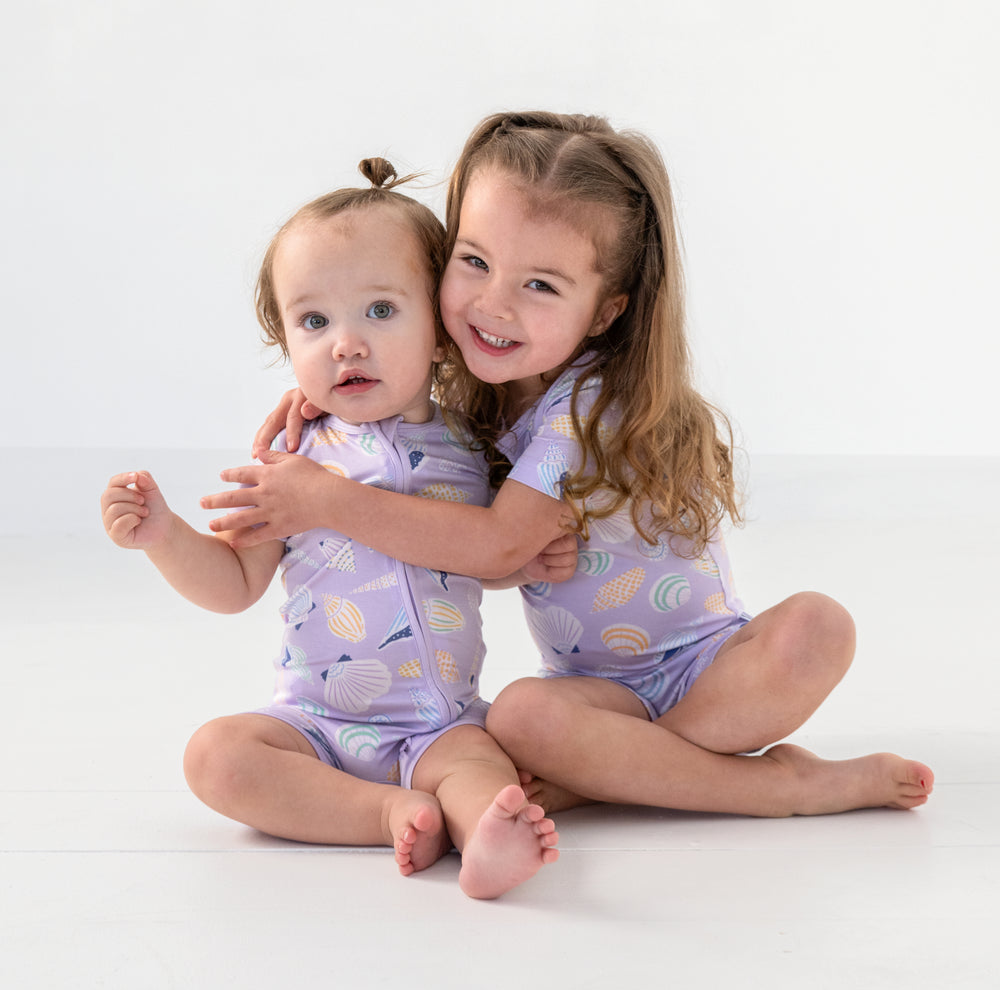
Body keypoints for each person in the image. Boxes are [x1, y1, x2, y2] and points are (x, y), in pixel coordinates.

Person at [201, 113, 934, 818]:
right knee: (520, 716)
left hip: (713, 666)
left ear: (606, 311)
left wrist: (327, 498)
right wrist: (337, 399)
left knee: (817, 626)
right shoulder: (482, 398)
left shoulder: (588, 405)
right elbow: (450, 519)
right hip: (593, 698)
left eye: (541, 285)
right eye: (475, 262)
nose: (494, 305)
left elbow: (494, 545)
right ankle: (633, 770)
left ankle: (772, 789)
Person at [100, 158, 562, 900]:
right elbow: (234, 584)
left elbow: (477, 554)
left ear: (440, 331)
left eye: (380, 310)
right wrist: (165, 537)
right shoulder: (292, 460)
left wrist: (523, 565)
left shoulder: (472, 448)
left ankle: (487, 837)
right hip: (314, 723)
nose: (346, 343)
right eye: (314, 322)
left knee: (483, 769)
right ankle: (385, 813)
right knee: (216, 755)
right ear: (286, 342)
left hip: (437, 724)